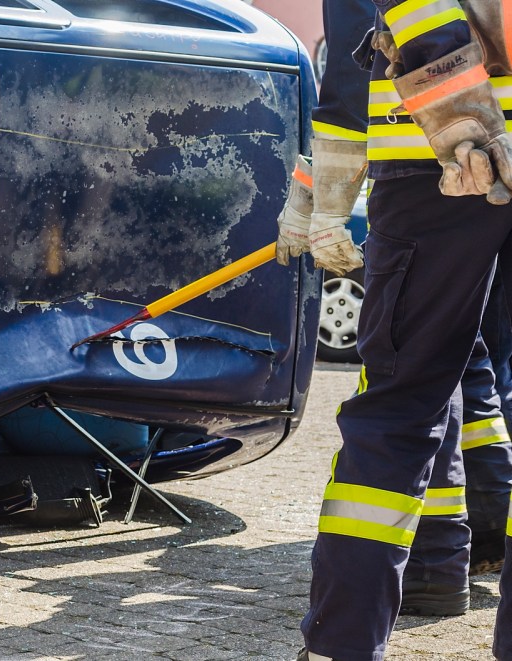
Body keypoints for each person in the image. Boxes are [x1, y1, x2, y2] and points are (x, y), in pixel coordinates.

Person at [283, 0, 512, 658]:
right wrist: (322, 192)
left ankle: (344, 644)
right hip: (446, 157)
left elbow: (359, 62)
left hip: (435, 168)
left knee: (398, 412)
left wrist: (460, 118)